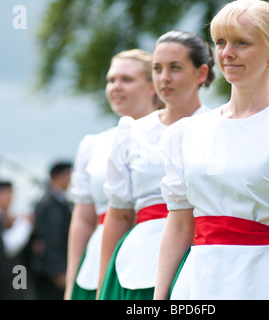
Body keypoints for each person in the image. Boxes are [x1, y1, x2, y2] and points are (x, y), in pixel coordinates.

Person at [154, 0, 269, 300]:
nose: (227, 53)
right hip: (197, 284)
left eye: (242, 42)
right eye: (221, 42)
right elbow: (178, 226)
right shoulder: (187, 133)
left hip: (267, 281)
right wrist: (159, 299)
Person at [97, 30, 215, 300]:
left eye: (175, 68)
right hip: (137, 263)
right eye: (157, 69)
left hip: (203, 255)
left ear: (201, 73)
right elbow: (119, 215)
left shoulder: (219, 128)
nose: (164, 78)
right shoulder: (132, 133)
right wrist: (103, 285)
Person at [64, 49, 162, 300]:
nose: (116, 87)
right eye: (111, 80)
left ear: (152, 86)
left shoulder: (172, 133)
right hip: (95, 264)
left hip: (152, 258)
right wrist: (70, 284)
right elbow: (83, 219)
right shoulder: (93, 144)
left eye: (127, 79)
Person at [29, 161, 72, 299]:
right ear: (56, 176)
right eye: (67, 174)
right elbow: (49, 238)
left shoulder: (61, 202)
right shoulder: (48, 204)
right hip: (51, 274)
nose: (70, 179)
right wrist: (57, 270)